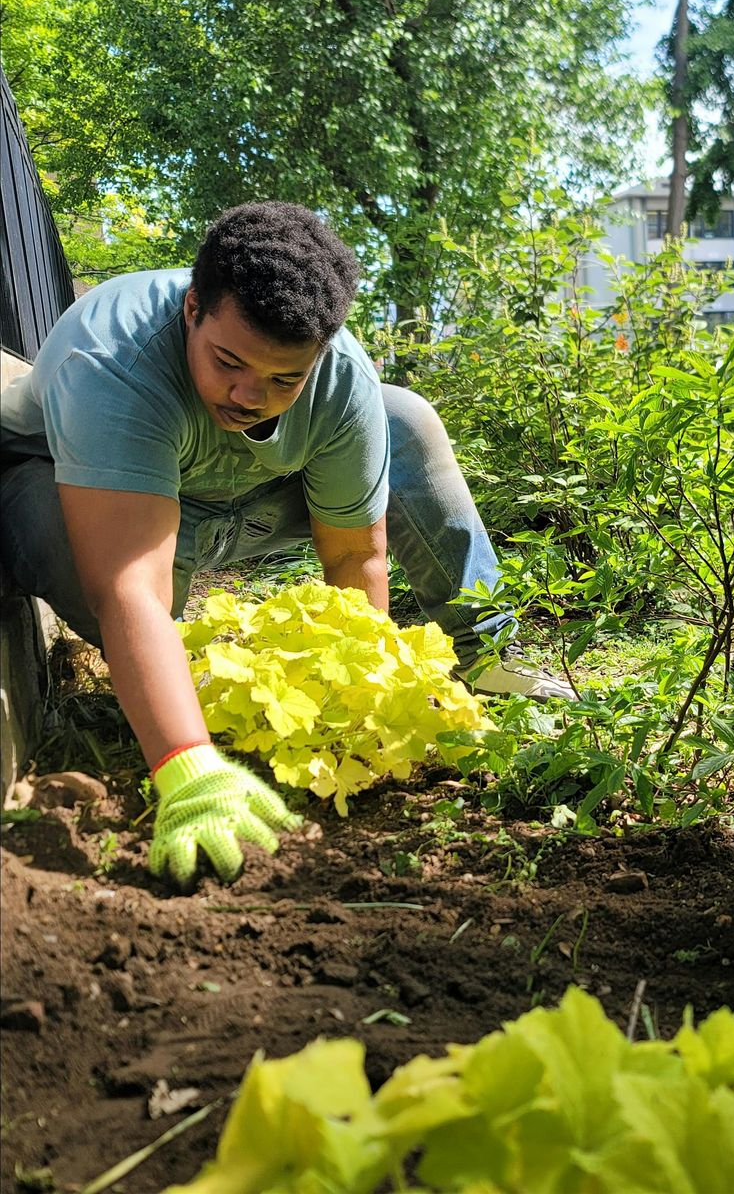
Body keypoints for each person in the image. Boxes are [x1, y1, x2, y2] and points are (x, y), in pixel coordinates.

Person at [0, 201, 573, 886]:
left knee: (406, 419)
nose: (249, 394)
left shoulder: (339, 379)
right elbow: (129, 586)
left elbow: (353, 558)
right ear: (192, 310)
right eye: (229, 362)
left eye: (284, 378)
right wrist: (187, 765)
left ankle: (486, 654)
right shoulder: (114, 361)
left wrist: (354, 712)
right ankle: (193, 708)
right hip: (65, 490)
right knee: (143, 621)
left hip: (235, 504)